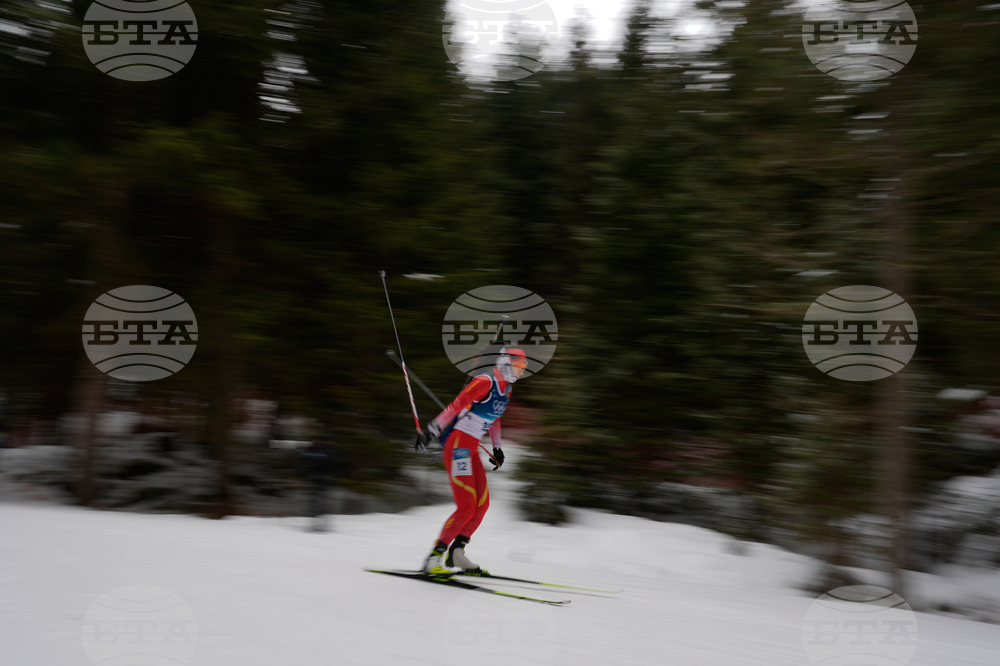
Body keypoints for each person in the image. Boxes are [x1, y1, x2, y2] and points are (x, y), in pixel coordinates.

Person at [414, 345, 528, 575]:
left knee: (482, 505)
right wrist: (431, 431)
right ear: (506, 362)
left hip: (471, 448)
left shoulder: (506, 390)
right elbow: (455, 407)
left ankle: (456, 553)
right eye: (518, 365)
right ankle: (433, 558)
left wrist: (497, 448)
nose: (521, 371)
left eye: (524, 368)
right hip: (458, 446)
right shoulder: (484, 382)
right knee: (466, 507)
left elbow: (494, 418)